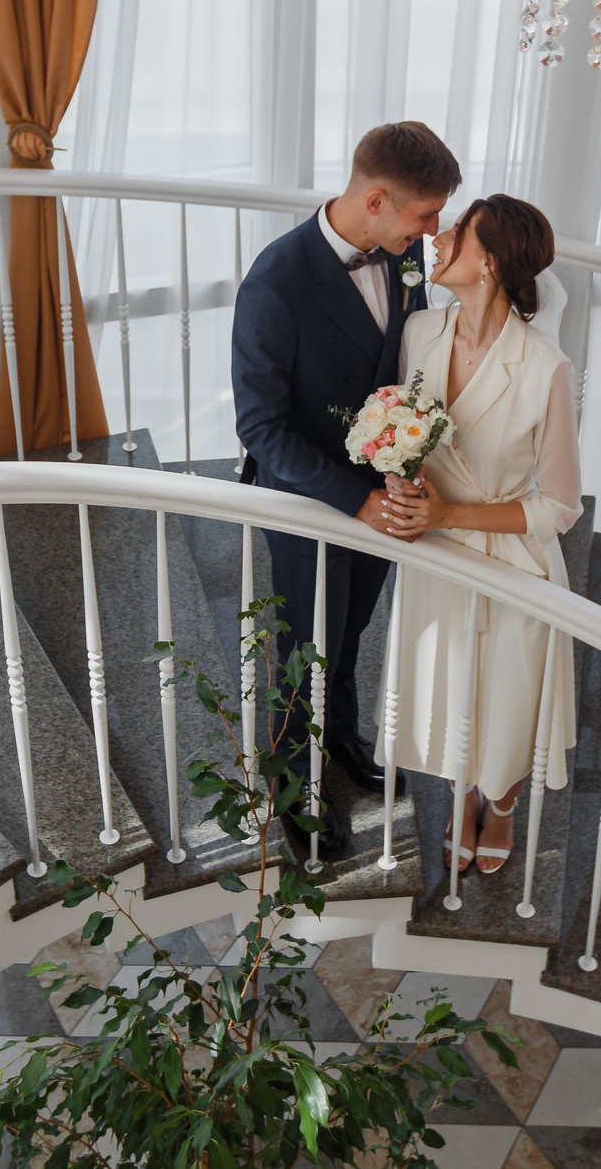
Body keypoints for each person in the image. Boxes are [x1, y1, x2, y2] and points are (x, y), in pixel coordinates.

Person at [233, 121, 461, 858]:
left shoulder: (402, 251)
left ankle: (342, 740)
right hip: (308, 502)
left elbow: (400, 360)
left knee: (352, 628)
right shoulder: (274, 282)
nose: (433, 230)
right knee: (305, 645)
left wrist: (404, 462)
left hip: (383, 493)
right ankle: (294, 785)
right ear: (375, 199)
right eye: (425, 215)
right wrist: (353, 496)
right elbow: (262, 429)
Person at [381, 194, 580, 875]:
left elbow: (558, 506)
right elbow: (407, 439)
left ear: (488, 261)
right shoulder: (418, 335)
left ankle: (501, 807)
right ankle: (465, 796)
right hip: (435, 558)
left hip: (512, 563)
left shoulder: (545, 368)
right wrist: (404, 484)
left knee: (509, 703)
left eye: (455, 233)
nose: (436, 241)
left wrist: (449, 516)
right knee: (454, 696)